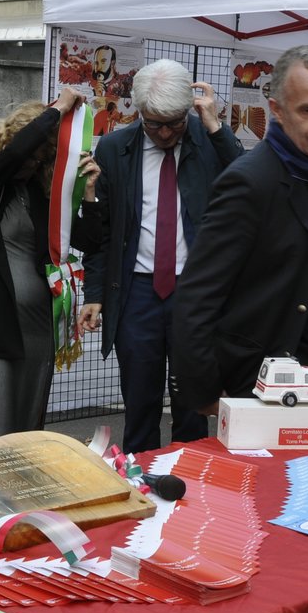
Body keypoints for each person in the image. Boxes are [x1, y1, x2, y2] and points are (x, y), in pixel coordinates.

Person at [172, 45, 308, 412]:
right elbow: (197, 297)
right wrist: (207, 395)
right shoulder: (249, 182)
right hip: (259, 382)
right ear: (276, 111)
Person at [79, 60, 242, 453]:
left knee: (194, 404)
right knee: (140, 401)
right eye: (155, 124)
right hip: (137, 291)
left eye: (174, 122)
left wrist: (215, 127)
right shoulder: (118, 148)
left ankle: (191, 483)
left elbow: (247, 184)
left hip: (196, 293)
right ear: (138, 112)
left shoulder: (208, 142)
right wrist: (95, 294)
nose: (166, 133)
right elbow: (102, 231)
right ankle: (141, 486)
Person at [0, 89, 104, 442]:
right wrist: (58, 112)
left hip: (39, 327)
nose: (32, 164)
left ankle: (23, 498)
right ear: (12, 139)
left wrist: (89, 193)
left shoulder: (42, 196)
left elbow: (89, 240)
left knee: (28, 432)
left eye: (42, 159)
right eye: (31, 156)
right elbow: (15, 156)